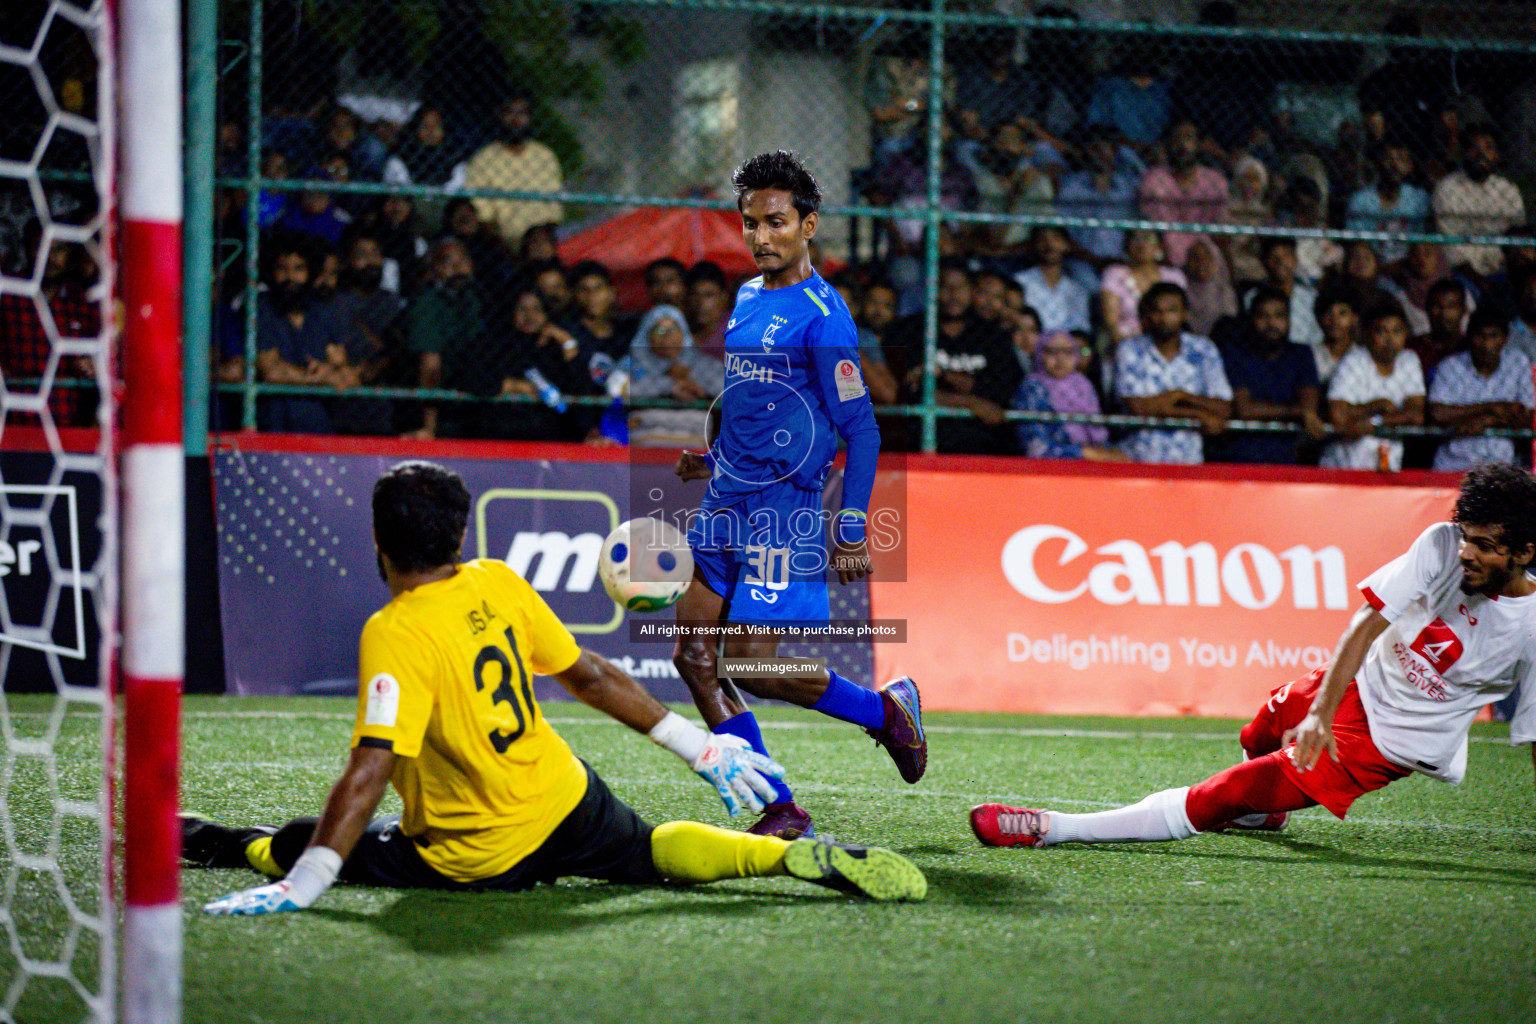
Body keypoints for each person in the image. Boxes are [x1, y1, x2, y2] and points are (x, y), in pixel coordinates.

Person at [187, 462, 925, 914]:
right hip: (565, 798)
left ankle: (210, 842)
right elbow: (590, 675)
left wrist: (313, 873)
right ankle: (774, 853)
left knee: (289, 844)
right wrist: (698, 749)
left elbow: (372, 765)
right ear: (460, 535)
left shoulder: (392, 629)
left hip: (473, 853)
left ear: (378, 543)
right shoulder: (499, 580)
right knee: (651, 851)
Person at [971, 463, 1536, 849]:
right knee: (1258, 731)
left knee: (1226, 792)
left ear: (1525, 552)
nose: (1467, 552)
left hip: (1389, 741)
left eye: (1485, 545)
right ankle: (1269, 812)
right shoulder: (1440, 545)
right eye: (1467, 536)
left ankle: (1054, 827)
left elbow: (1533, 736)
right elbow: (1369, 621)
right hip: (1356, 686)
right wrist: (1319, 712)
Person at [669, 152, 928, 841]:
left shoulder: (825, 316)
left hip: (783, 514)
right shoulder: (749, 299)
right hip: (726, 501)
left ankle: (885, 713)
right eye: (751, 222)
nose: (761, 237)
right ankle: (780, 807)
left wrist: (850, 526)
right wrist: (715, 458)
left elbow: (861, 430)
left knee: (753, 669)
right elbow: (759, 405)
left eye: (776, 222)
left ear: (809, 224)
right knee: (694, 658)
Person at [1114, 282, 1233, 465]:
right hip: (1137, 461)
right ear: (1146, 316)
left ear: (1184, 314)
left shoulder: (1203, 349)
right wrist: (1199, 415)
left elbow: (1223, 407)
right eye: (1156, 311)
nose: (1163, 318)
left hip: (1188, 462)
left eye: (1172, 310)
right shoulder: (1130, 350)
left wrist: (1180, 396)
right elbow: (1138, 407)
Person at [1211, 286, 1326, 464]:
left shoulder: (1301, 354)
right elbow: (1245, 409)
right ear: (1251, 320)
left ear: (1289, 320)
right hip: (1240, 456)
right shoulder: (1235, 354)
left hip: (1287, 457)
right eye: (1263, 316)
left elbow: (1309, 402)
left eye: (1279, 316)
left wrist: (1305, 411)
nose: (1271, 323)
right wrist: (1296, 412)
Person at [1319, 301, 1426, 472]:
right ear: (1368, 334)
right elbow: (1337, 414)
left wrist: (1374, 421)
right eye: (1381, 331)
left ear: (1406, 334)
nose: (1389, 340)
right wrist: (1378, 405)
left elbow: (1416, 415)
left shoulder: (1409, 360)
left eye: (1396, 331)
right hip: (1344, 466)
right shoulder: (1354, 361)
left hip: (1388, 466)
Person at [1428, 308, 1535, 471]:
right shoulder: (1450, 366)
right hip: (1452, 465)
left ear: (1505, 339)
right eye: (1480, 336)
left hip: (1501, 468)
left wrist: (1487, 421)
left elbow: (1527, 417)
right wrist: (1493, 407)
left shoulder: (1518, 363)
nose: (1487, 344)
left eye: (1493, 336)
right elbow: (1437, 413)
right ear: (1469, 338)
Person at [463, 88, 564, 251]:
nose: (516, 120)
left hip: (542, 241)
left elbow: (554, 213)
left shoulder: (545, 156)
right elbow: (483, 218)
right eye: (509, 112)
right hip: (500, 244)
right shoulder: (483, 159)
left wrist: (540, 244)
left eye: (522, 113)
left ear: (530, 118)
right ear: (499, 116)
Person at [616, 304, 725, 447]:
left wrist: (697, 387)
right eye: (660, 330)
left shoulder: (703, 363)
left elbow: (730, 391)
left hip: (694, 445)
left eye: (674, 329)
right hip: (644, 445)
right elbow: (617, 389)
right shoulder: (631, 363)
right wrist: (670, 386)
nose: (667, 335)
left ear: (684, 333)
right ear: (647, 334)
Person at [1433, 126, 1525, 278]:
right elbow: (1451, 248)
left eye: (1488, 148)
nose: (1481, 154)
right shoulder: (1446, 189)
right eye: (1473, 148)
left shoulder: (1508, 189)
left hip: (1504, 268)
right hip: (1462, 271)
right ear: (1463, 154)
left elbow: (1519, 235)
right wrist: (1479, 281)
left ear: (1496, 155)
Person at [1138, 119, 1229, 266]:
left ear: (1198, 144)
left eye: (1188, 138)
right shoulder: (1153, 180)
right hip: (1166, 257)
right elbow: (1155, 232)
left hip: (1206, 259)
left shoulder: (1215, 181)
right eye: (1176, 139)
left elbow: (1220, 231)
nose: (1182, 145)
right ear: (1167, 144)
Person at [1345, 141, 1430, 265]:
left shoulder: (1418, 198)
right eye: (1388, 159)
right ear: (1378, 164)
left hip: (1412, 265)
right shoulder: (1360, 200)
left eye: (1401, 159)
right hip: (1373, 267)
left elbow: (1423, 243)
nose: (1395, 165)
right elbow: (1358, 246)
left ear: (1409, 166)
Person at [1099, 229, 1187, 345]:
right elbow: (1112, 323)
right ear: (1127, 245)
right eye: (1135, 238)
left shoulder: (1174, 276)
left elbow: (1181, 318)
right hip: (1125, 342)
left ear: (1159, 245)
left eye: (1148, 238)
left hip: (1166, 342)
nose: (1142, 244)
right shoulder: (1114, 274)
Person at [1016, 225, 1091, 335]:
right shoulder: (1020, 282)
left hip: (1064, 349)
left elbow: (1082, 331)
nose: (1049, 244)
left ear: (1067, 246)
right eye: (1042, 239)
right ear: (1034, 246)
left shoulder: (1078, 290)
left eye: (1056, 238)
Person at [1409, 278, 1470, 387]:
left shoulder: (1471, 348)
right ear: (1427, 309)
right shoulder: (1413, 348)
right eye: (1437, 306)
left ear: (1463, 310)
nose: (1444, 313)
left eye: (1451, 306)